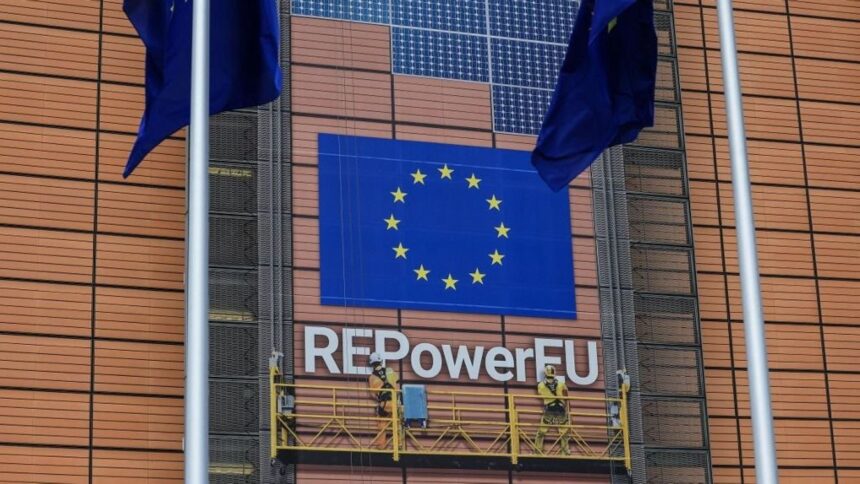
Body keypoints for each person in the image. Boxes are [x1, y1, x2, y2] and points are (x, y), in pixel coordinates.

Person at [534, 364, 571, 455]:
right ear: (554, 373)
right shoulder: (561, 384)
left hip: (549, 409)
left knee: (541, 431)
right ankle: (565, 452)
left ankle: (538, 452)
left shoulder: (541, 385)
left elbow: (540, 395)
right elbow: (566, 395)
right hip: (561, 409)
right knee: (564, 432)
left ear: (545, 373)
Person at [368, 352, 399, 449]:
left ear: (372, 364)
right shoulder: (390, 370)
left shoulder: (372, 377)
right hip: (395, 402)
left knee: (382, 425)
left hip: (384, 404)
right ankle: (398, 445)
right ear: (381, 361)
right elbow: (396, 380)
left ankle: (381, 446)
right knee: (397, 424)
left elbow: (374, 393)